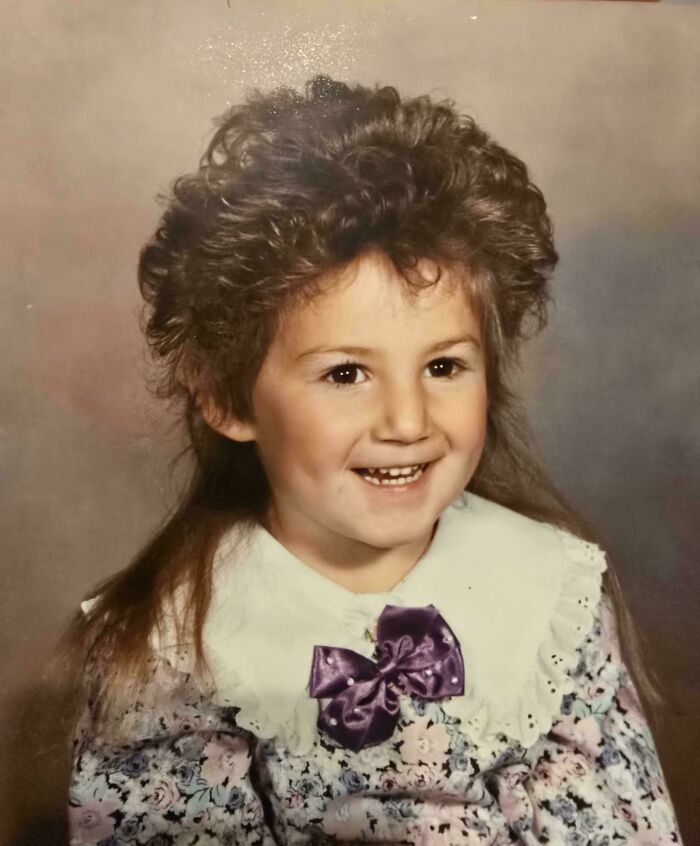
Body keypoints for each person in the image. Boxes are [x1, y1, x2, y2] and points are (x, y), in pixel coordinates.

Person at [62, 75, 682, 844]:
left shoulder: (551, 592)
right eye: (346, 373)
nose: (407, 421)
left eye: (444, 366)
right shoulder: (175, 642)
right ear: (226, 397)